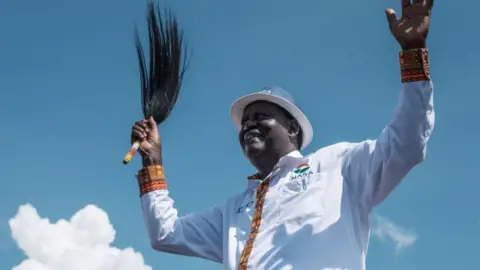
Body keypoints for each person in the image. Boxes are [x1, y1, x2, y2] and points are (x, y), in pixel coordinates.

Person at [131, 0, 435, 269]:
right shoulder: (232, 211)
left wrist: (413, 53)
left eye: (261, 116)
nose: (249, 124)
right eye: (245, 121)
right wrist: (152, 163)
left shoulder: (338, 167)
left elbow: (406, 144)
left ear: (292, 128)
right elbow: (166, 234)